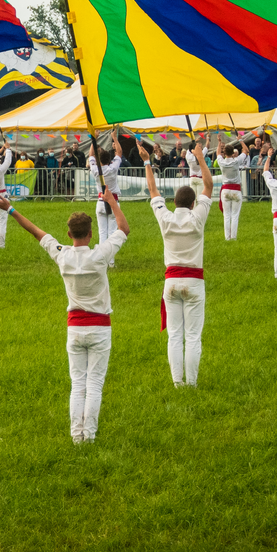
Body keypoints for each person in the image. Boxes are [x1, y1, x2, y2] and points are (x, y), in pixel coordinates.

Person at [0, 186, 129, 443]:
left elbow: (35, 231)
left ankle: (77, 436)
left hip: (75, 328)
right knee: (94, 384)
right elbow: (123, 229)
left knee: (78, 384)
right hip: (100, 327)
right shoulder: (99, 254)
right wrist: (112, 201)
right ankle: (89, 435)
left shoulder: (62, 255)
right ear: (91, 233)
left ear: (68, 233)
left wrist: (10, 209)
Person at [141, 139, 213, 388]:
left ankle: (177, 383)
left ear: (175, 203)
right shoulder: (197, 218)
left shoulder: (166, 218)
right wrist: (200, 158)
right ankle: (190, 384)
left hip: (171, 281)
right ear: (193, 204)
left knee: (175, 336)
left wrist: (147, 162)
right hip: (193, 281)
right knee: (192, 336)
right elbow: (209, 186)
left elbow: (153, 191)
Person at [88, 138, 125, 268]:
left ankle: (102, 260)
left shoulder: (95, 169)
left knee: (102, 233)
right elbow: (119, 152)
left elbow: (90, 155)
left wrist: (94, 138)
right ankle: (111, 261)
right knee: (112, 233)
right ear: (109, 160)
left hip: (100, 201)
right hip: (113, 201)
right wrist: (115, 137)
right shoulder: (112, 168)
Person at [215, 135, 250, 241]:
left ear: (224, 153)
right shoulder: (236, 161)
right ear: (232, 152)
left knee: (227, 215)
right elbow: (246, 150)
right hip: (236, 189)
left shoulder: (221, 162)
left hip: (225, 189)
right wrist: (240, 140)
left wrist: (219, 142)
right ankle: (233, 237)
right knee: (235, 215)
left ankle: (227, 237)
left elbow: (217, 154)